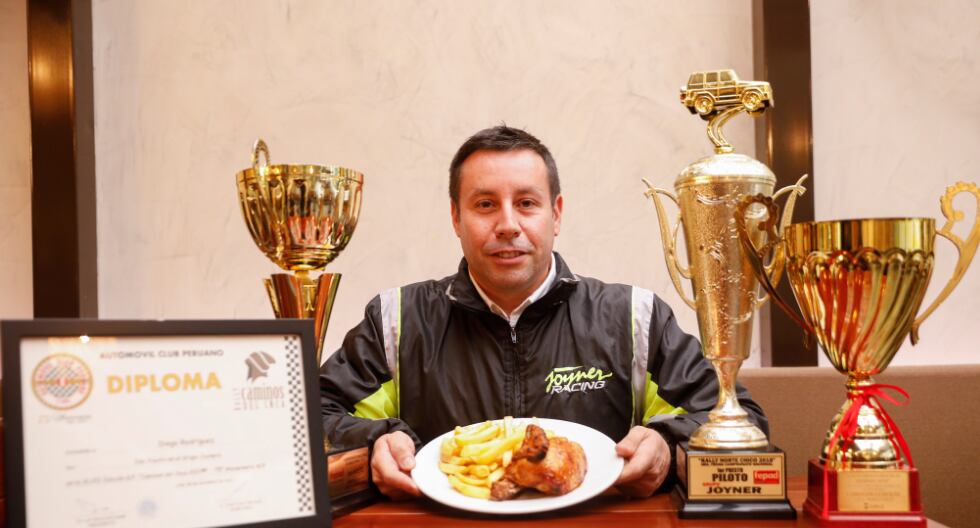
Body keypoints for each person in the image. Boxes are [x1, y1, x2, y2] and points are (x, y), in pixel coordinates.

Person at [319, 125, 767, 500]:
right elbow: (309, 416)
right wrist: (376, 439)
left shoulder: (633, 318)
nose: (508, 224)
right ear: (456, 218)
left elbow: (740, 419)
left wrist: (668, 446)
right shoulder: (398, 320)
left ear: (556, 214)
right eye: (485, 204)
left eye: (527, 203)